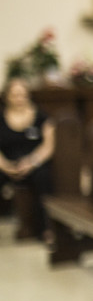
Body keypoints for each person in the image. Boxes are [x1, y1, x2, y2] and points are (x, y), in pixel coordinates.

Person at [0, 77, 55, 243]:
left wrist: (32, 162)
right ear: (6, 97)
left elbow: (48, 146)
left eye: (23, 95)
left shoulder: (41, 116)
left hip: (35, 163)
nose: (19, 99)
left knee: (44, 177)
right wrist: (5, 166)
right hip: (6, 164)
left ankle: (46, 228)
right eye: (15, 95)